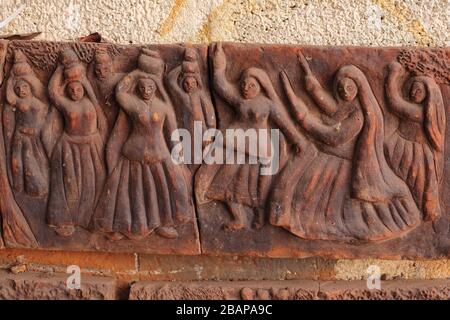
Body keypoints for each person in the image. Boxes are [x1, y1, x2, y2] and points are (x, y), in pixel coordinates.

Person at [269, 51, 422, 241]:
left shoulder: (358, 115)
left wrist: (305, 119)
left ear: (359, 87)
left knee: (339, 210)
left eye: (349, 87)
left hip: (342, 164)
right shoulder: (348, 106)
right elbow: (330, 107)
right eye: (341, 87)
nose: (345, 91)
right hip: (332, 158)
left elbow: (333, 137)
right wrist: (311, 85)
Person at [195, 43, 305, 231]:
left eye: (251, 85)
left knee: (258, 187)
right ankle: (237, 218)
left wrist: (297, 140)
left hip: (258, 151)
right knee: (226, 184)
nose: (246, 88)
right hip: (236, 149)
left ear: (261, 87)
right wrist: (219, 65)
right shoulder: (240, 102)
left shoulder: (269, 105)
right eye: (244, 84)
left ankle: (260, 216)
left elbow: (285, 124)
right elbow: (221, 86)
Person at [92, 49, 193, 241]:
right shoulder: (132, 105)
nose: (146, 91)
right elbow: (119, 92)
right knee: (131, 193)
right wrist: (137, 72)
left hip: (160, 156)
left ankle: (162, 224)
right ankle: (126, 226)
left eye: (150, 88)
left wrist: (179, 159)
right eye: (142, 88)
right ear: (137, 88)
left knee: (162, 192)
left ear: (155, 88)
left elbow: (173, 135)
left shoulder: (163, 108)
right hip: (133, 155)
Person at [47, 49, 107, 237]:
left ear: (84, 88)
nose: (75, 92)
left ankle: (91, 220)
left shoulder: (91, 104)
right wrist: (60, 69)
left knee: (93, 183)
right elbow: (52, 92)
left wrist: (84, 81)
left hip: (91, 146)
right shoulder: (65, 104)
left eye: (78, 88)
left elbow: (102, 121)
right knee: (69, 185)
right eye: (71, 89)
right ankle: (66, 221)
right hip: (69, 147)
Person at [385, 61, 445, 222]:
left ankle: (415, 214)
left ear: (428, 94)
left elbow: (393, 102)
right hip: (403, 147)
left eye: (419, 90)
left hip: (413, 153)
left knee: (415, 183)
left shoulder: (419, 112)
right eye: (413, 88)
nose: (413, 92)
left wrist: (393, 74)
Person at [4, 50, 49, 197]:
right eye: (18, 89)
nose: (21, 91)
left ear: (30, 87)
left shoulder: (36, 103)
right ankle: (17, 187)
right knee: (17, 162)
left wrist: (35, 130)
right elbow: (10, 98)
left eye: (24, 87)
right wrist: (10, 79)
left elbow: (42, 118)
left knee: (30, 162)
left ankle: (36, 189)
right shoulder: (18, 101)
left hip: (31, 138)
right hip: (19, 136)